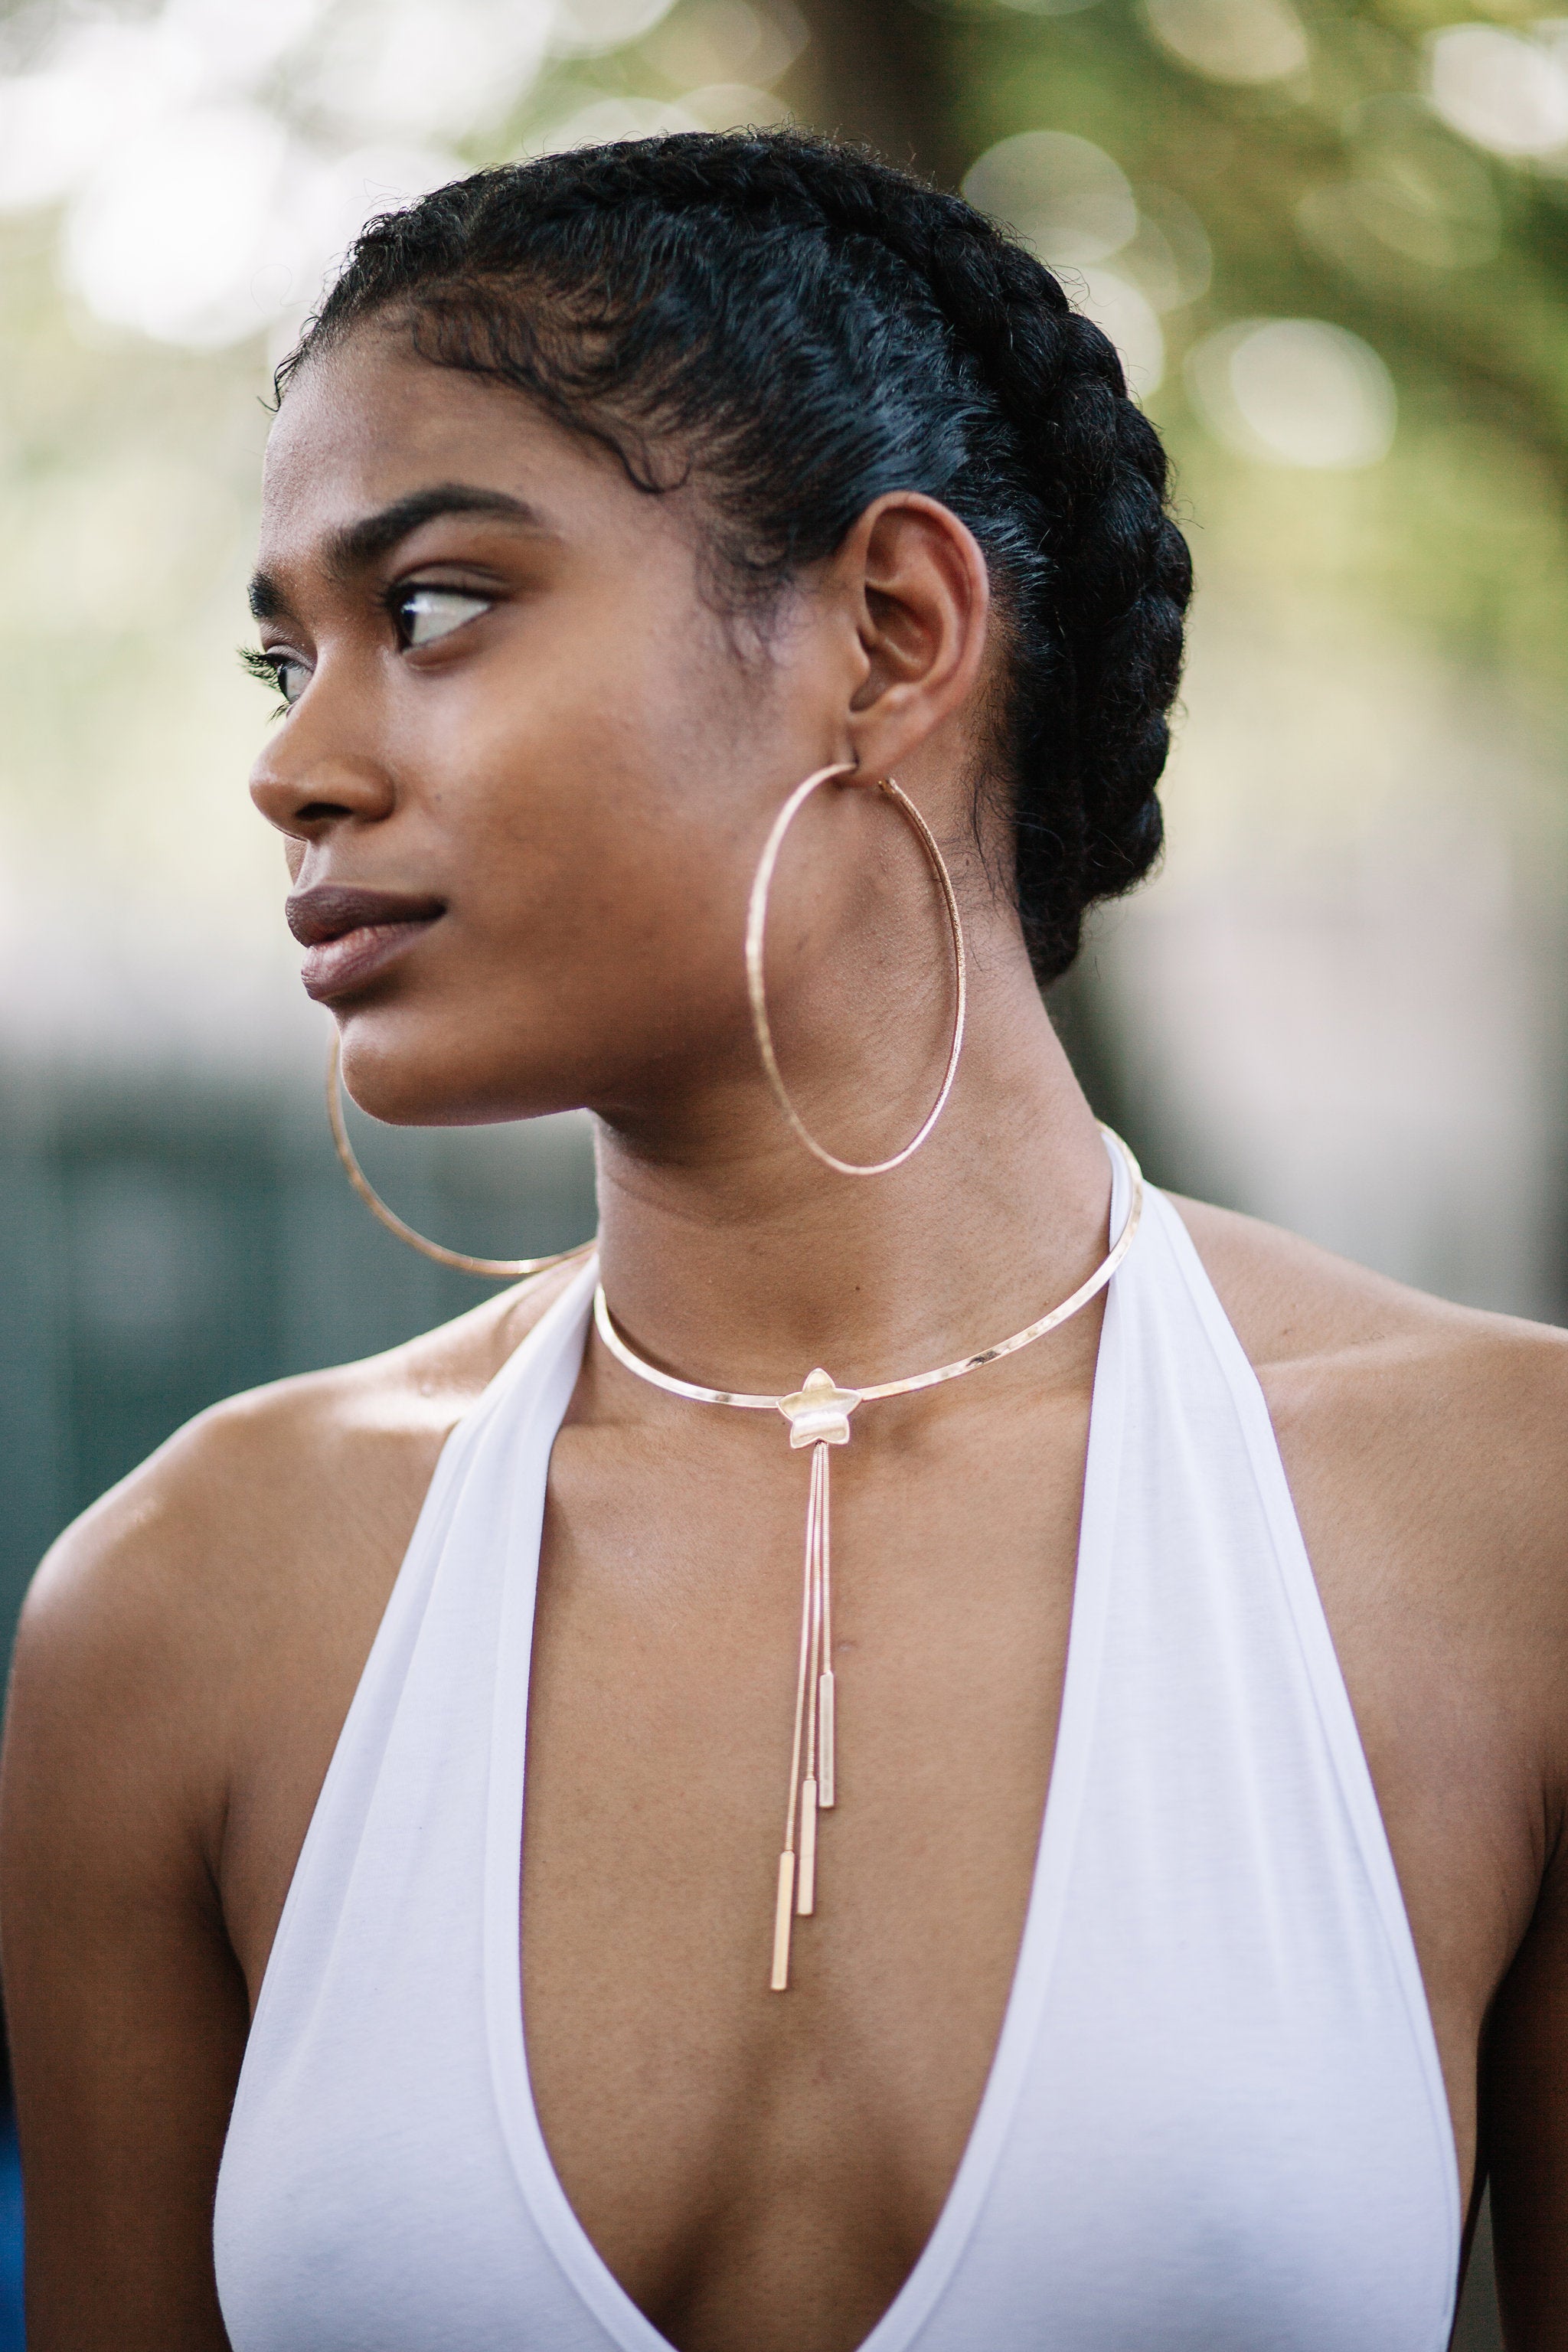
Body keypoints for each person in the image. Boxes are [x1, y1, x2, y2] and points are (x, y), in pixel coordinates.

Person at [2, 126, 1564, 2352]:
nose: (299, 764)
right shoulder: (183, 1611)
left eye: (428, 607)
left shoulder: (1506, 1525)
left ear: (890, 633)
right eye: (287, 662)